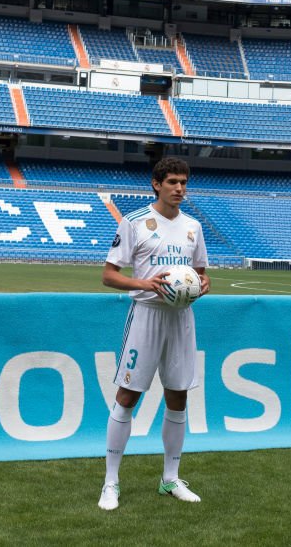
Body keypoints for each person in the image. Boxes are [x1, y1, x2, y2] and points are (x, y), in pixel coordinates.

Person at [98, 156, 210, 511]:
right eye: (173, 182)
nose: (180, 188)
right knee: (127, 397)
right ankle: (110, 483)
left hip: (181, 319)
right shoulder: (134, 223)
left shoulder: (193, 226)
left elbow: (202, 273)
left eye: (184, 182)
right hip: (146, 315)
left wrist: (203, 284)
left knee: (178, 396)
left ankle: (170, 479)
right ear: (156, 184)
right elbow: (108, 275)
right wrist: (143, 283)